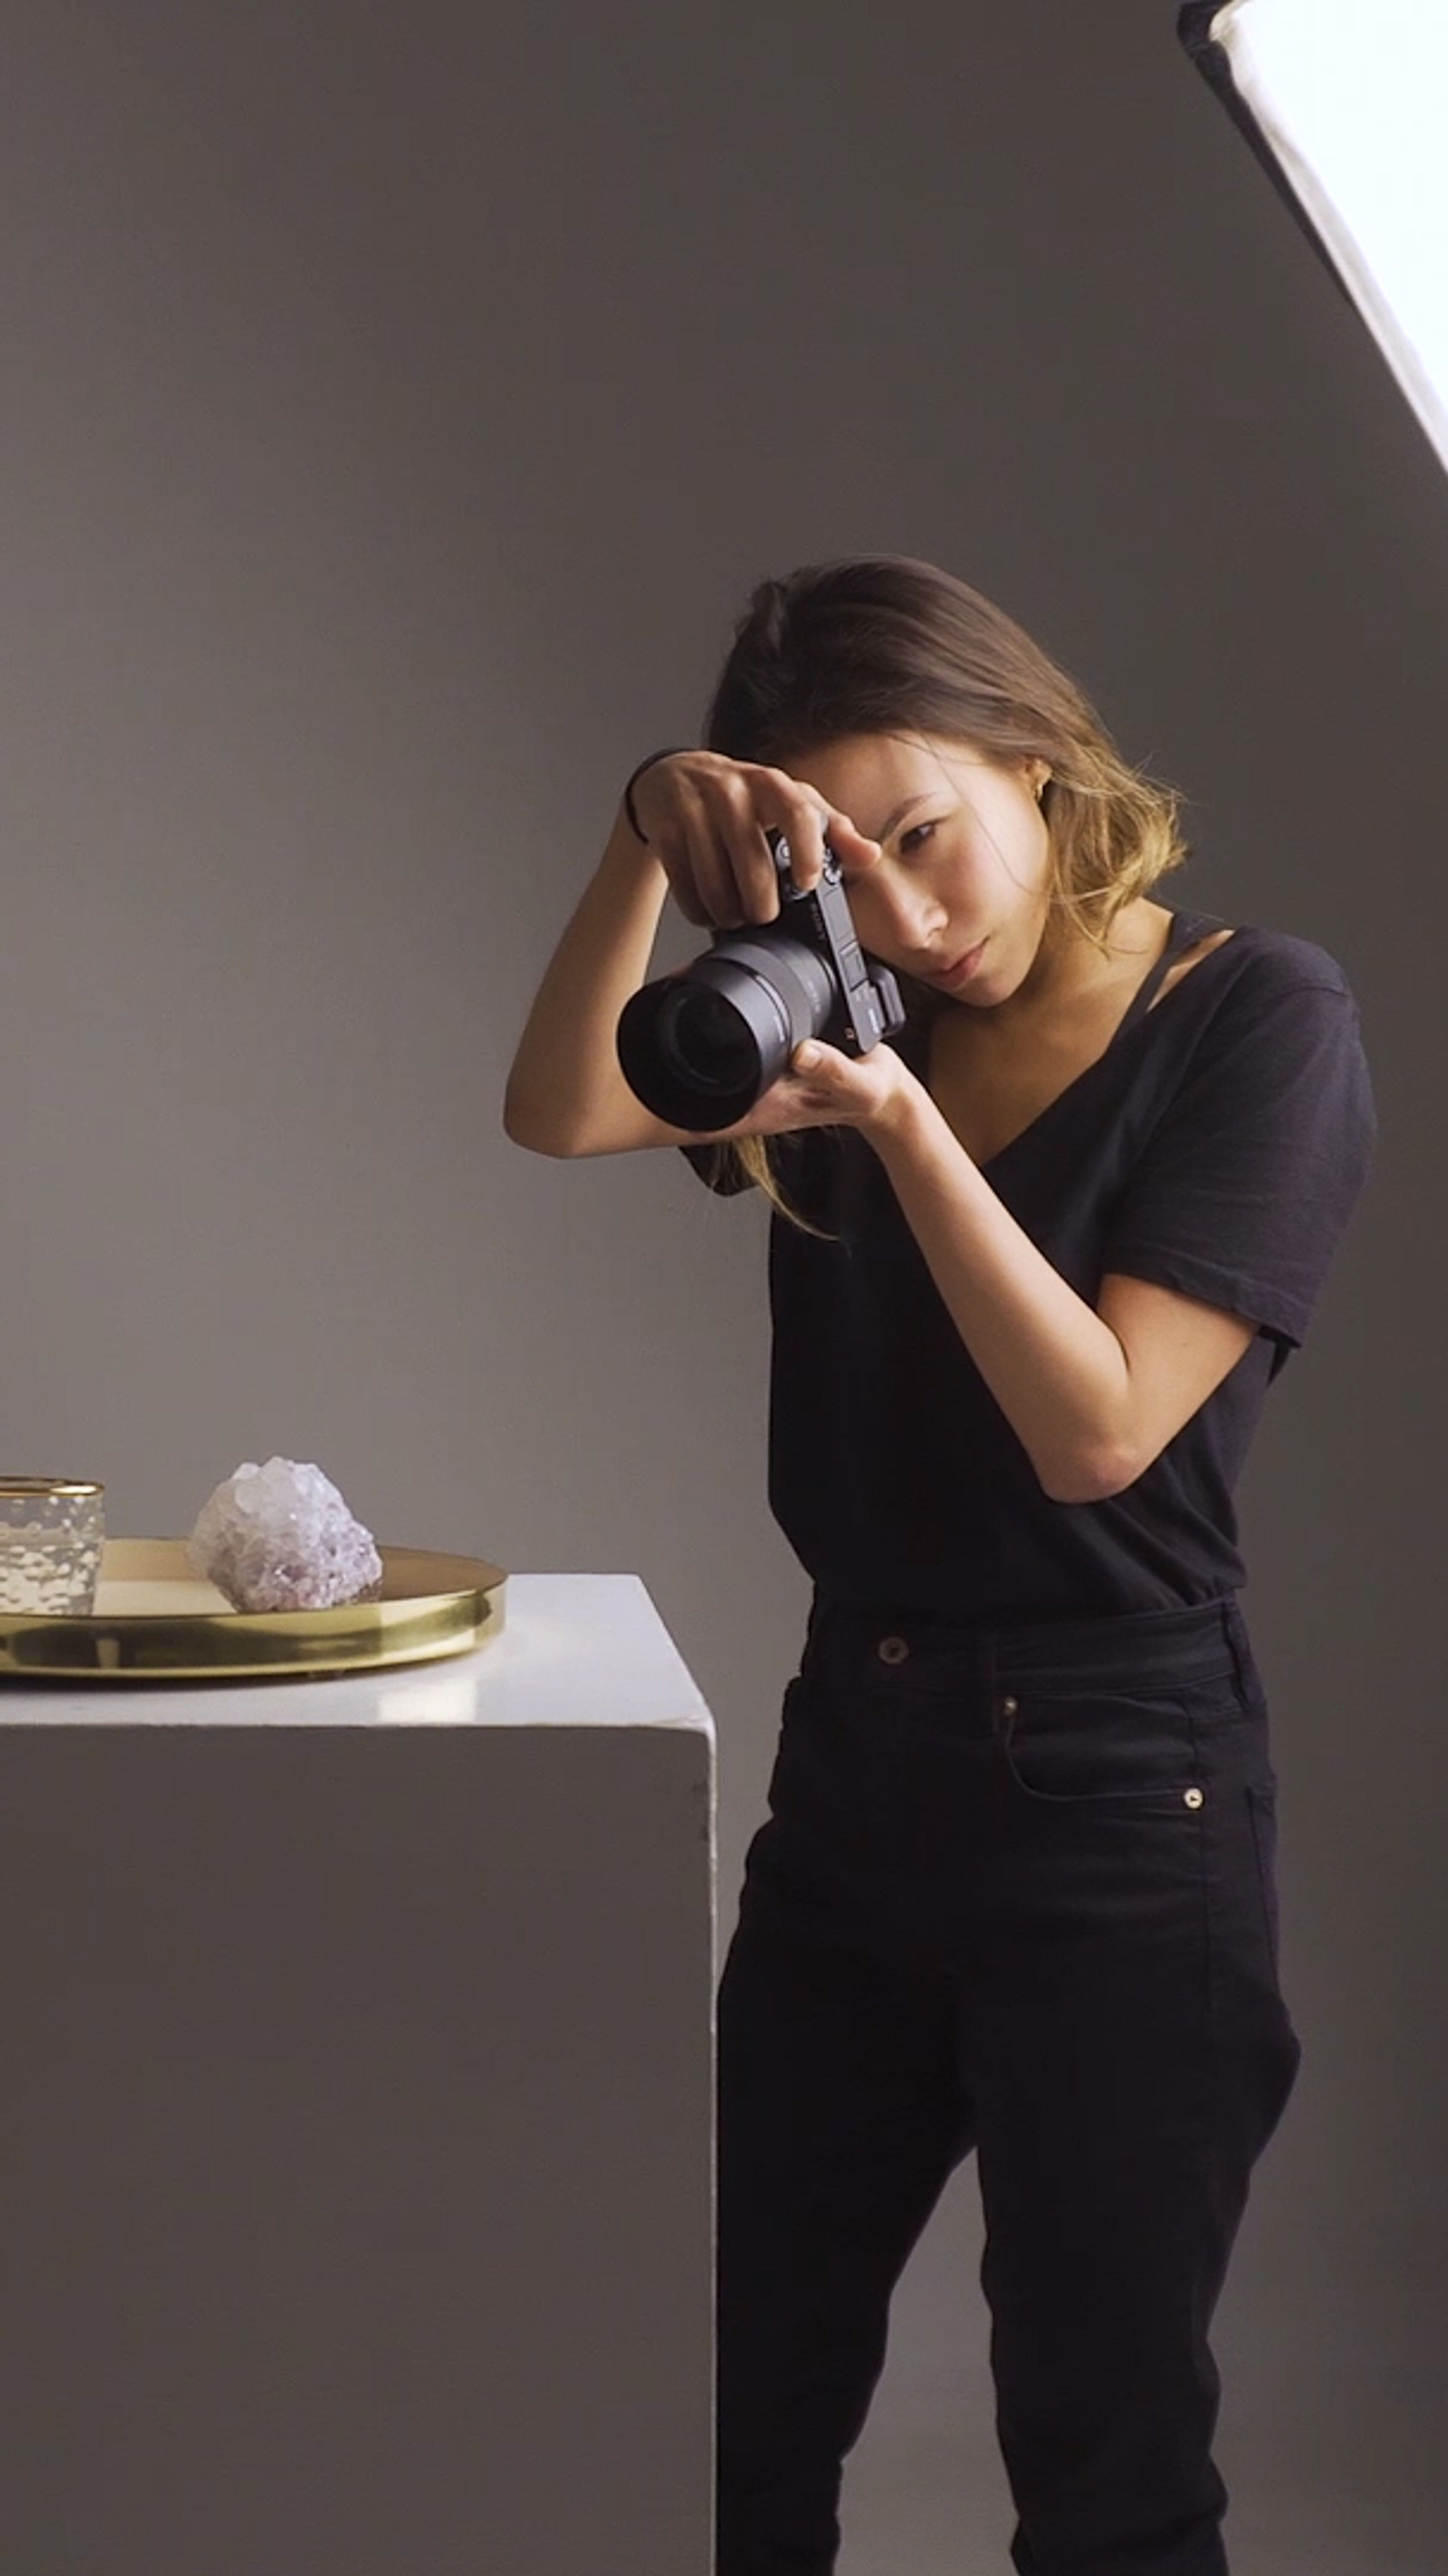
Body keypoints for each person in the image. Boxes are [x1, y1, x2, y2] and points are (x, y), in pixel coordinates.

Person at [502, 554, 1377, 2576]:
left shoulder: (1254, 1016)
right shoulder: (836, 1005)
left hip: (1118, 1798)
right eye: (844, 864)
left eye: (923, 835)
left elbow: (1098, 1430)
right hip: (860, 1776)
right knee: (721, 2411)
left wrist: (902, 1136)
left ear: (1039, 759)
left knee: (1104, 2467)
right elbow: (558, 1109)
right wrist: (649, 826)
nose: (902, 914)